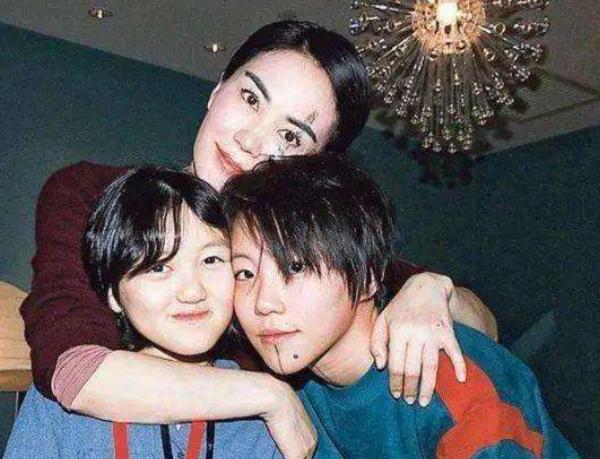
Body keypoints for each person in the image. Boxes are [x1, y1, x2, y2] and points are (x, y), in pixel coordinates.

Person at [20, 20, 495, 457]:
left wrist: (431, 290)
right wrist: (270, 396)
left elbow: (483, 326)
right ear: (218, 89)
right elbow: (76, 371)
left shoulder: (300, 251)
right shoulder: (96, 197)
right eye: (250, 98)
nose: (250, 140)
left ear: (310, 168)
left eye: (291, 137)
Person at [224, 155, 579, 458]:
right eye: (245, 273)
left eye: (296, 266)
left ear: (368, 277)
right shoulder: (283, 389)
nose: (263, 302)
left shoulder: (453, 377)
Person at [6, 168, 285, 458]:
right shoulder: (63, 404)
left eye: (211, 260)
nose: (192, 292)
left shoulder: (265, 418)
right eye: (159, 266)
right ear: (113, 294)